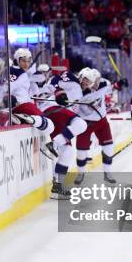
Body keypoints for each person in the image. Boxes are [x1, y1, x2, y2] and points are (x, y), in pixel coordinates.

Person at [36, 64, 87, 199]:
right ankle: (53, 145)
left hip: (54, 112)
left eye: (91, 81)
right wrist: (59, 93)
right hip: (52, 107)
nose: (88, 83)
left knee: (67, 152)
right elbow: (56, 79)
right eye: (86, 79)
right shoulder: (72, 79)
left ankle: (58, 188)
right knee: (81, 124)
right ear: (80, 77)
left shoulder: (79, 91)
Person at [8, 48, 56, 159]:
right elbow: (8, 88)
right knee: (50, 124)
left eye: (28, 60)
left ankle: (27, 119)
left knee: (45, 125)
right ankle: (28, 119)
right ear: (17, 60)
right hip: (23, 106)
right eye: (23, 60)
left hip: (19, 105)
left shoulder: (21, 73)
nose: (26, 63)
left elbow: (39, 78)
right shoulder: (17, 72)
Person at [74, 68, 115, 185]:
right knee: (81, 151)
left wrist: (119, 84)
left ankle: (108, 173)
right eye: (93, 81)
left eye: (97, 80)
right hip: (85, 123)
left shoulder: (104, 84)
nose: (96, 83)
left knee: (109, 147)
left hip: (101, 121)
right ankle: (81, 173)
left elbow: (112, 88)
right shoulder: (78, 91)